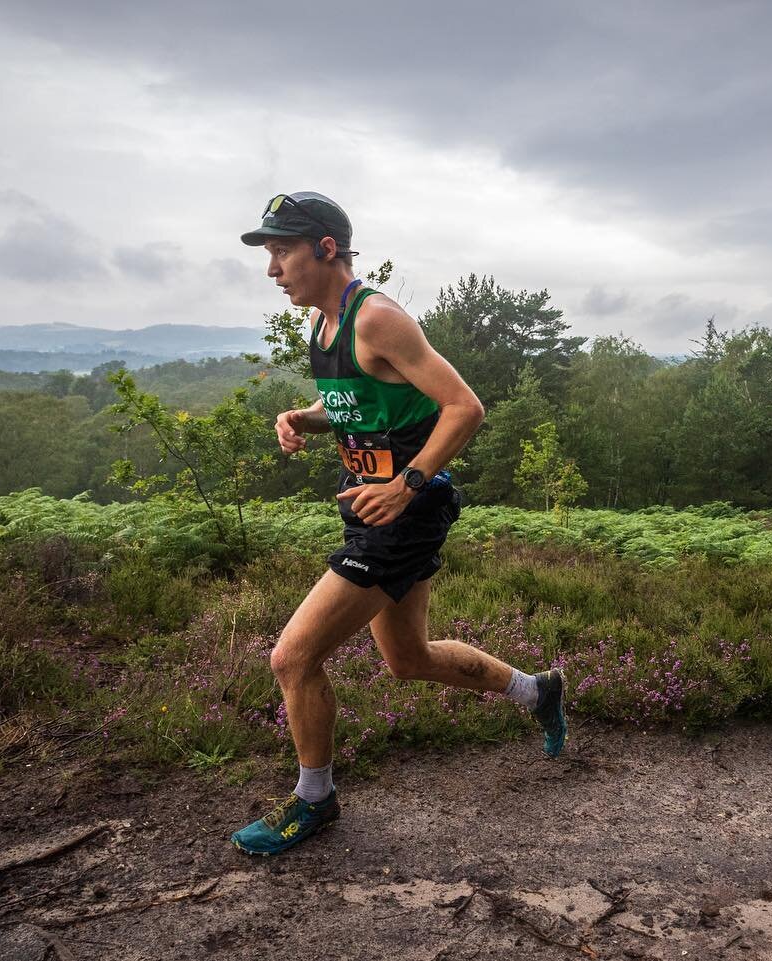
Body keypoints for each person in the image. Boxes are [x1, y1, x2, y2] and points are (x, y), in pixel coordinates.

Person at [230, 191, 567, 856]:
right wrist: (307, 417)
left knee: (291, 657)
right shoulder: (323, 326)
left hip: (403, 514)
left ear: (327, 248)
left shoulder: (375, 318)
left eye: (282, 250)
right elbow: (364, 403)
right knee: (408, 659)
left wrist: (405, 484)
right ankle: (539, 692)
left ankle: (314, 801)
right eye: (269, 253)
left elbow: (464, 407)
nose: (273, 268)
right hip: (375, 510)